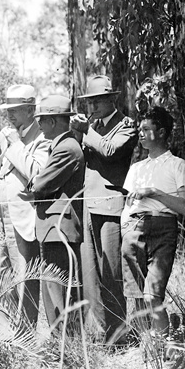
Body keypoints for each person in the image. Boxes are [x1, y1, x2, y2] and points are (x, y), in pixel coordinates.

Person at [71, 75, 137, 343]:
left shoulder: (127, 126)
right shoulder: (94, 125)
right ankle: (99, 335)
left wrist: (86, 131)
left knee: (111, 274)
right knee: (90, 276)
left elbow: (110, 151)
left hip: (110, 206)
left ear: (112, 100)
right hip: (88, 204)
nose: (93, 105)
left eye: (98, 100)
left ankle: (118, 334)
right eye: (90, 101)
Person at [0, 84, 49, 336]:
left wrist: (14, 146)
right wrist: (2, 162)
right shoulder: (7, 134)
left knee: (24, 274)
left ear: (31, 110)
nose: (10, 115)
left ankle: (24, 336)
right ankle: (1, 336)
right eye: (8, 110)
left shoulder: (42, 138)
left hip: (22, 217)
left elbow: (37, 173)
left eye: (16, 110)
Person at [120, 106, 185, 337]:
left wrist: (154, 192)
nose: (140, 134)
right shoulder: (136, 168)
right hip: (134, 229)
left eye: (146, 129)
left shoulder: (176, 164)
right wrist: (125, 229)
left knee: (153, 294)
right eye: (139, 129)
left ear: (161, 132)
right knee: (137, 295)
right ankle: (147, 352)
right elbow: (128, 205)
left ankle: (162, 346)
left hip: (163, 228)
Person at [28, 94, 85, 330]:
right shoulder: (62, 146)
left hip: (59, 226)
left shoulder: (67, 148)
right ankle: (61, 339)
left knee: (58, 287)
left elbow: (39, 185)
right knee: (55, 285)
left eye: (41, 119)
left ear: (53, 121)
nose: (39, 125)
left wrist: (34, 185)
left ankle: (64, 342)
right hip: (53, 227)